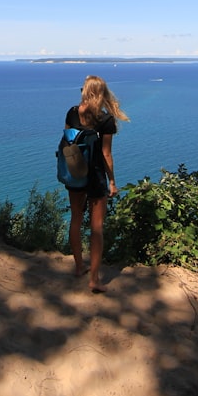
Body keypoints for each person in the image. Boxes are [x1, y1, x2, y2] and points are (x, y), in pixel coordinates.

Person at [64, 75, 130, 293]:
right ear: (102, 93)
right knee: (97, 228)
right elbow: (106, 154)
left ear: (85, 91)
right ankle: (94, 279)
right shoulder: (105, 120)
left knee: (75, 218)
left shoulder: (72, 112)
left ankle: (78, 267)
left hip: (75, 173)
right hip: (96, 177)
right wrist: (112, 181)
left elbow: (67, 141)